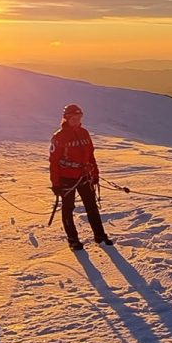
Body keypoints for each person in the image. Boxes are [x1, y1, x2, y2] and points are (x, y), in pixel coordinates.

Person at [49, 103, 111, 250]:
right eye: (74, 117)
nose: (77, 120)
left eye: (79, 117)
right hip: (66, 178)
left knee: (91, 206)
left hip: (84, 176)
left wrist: (95, 174)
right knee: (68, 208)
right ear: (67, 118)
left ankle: (100, 235)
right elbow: (54, 162)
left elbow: (90, 156)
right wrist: (55, 183)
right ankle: (73, 239)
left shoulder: (84, 133)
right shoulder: (59, 137)